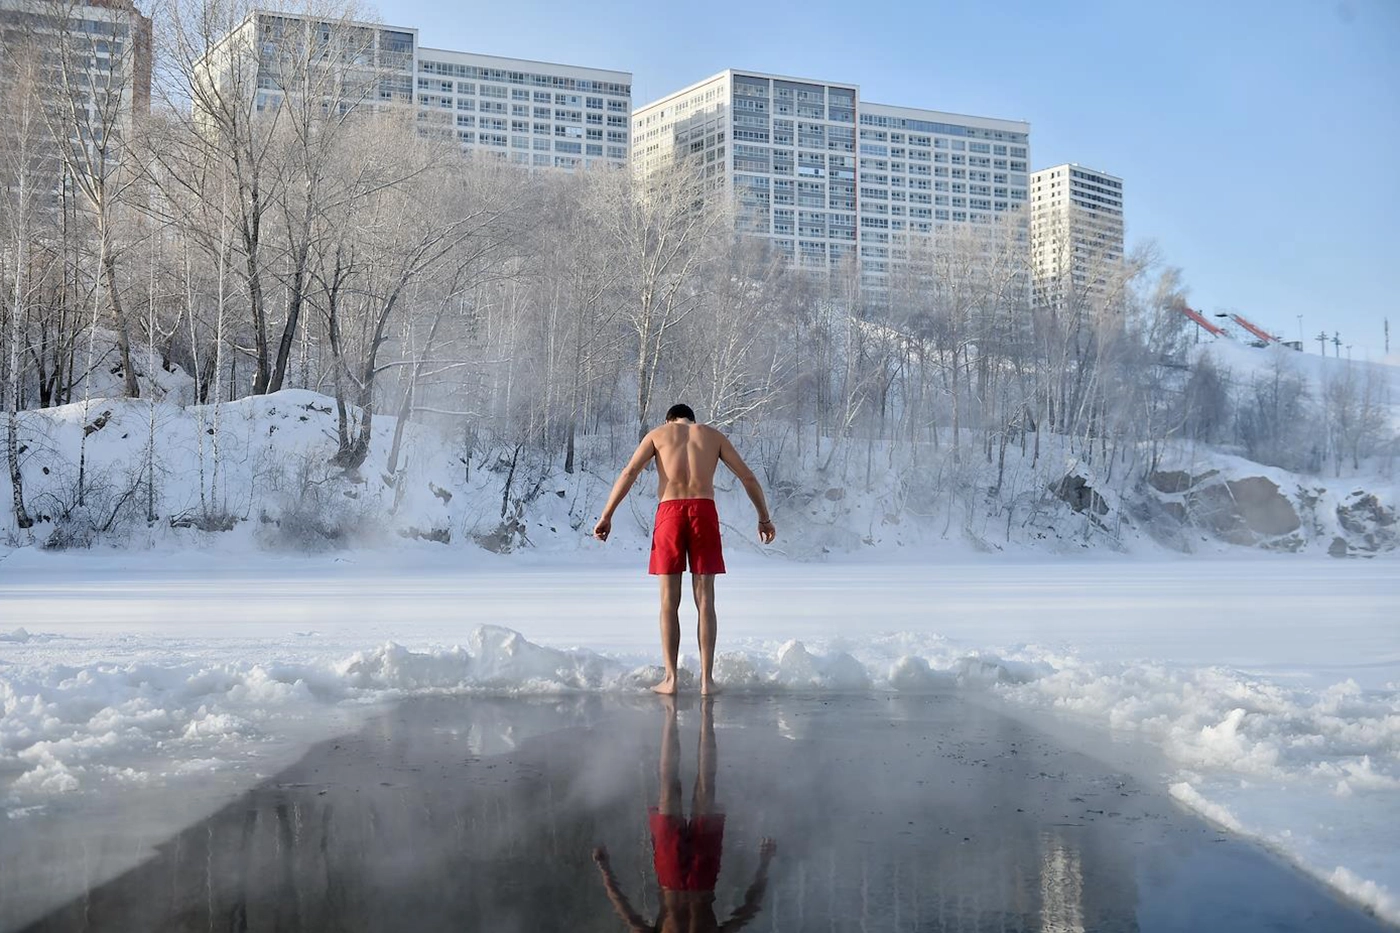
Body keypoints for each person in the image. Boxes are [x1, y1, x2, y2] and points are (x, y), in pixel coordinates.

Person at [593, 404, 775, 696]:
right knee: (706, 602)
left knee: (669, 602)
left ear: (669, 420)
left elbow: (629, 473)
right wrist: (764, 518)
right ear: (693, 420)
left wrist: (607, 515)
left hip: (669, 512)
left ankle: (671, 679)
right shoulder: (712, 436)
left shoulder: (658, 434)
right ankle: (707, 681)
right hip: (704, 512)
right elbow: (748, 477)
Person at [592, 697, 776, 933]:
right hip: (704, 876)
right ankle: (707, 715)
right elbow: (748, 910)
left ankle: (670, 713)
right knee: (706, 785)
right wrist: (764, 863)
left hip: (671, 876)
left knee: (670, 786)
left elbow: (627, 914)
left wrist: (605, 868)